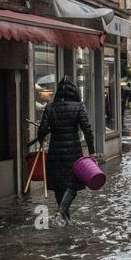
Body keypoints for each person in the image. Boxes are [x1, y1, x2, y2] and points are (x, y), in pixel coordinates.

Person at [35, 78, 96, 224]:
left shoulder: (50, 107)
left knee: (59, 186)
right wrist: (92, 151)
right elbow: (87, 130)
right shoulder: (78, 106)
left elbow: (41, 130)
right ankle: (61, 213)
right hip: (73, 153)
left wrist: (41, 141)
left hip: (55, 152)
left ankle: (64, 217)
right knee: (73, 184)